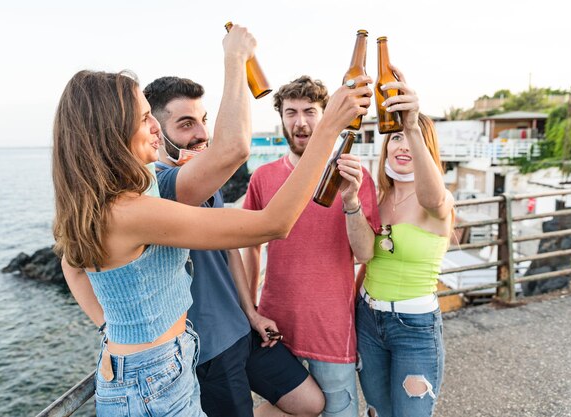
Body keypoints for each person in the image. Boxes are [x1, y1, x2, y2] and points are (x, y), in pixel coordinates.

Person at [53, 24, 371, 417]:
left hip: (168, 361)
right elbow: (274, 222)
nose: (153, 126)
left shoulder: (131, 191)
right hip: (149, 381)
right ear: (110, 133)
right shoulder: (130, 211)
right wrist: (328, 128)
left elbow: (71, 262)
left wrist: (114, 328)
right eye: (142, 119)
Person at [143, 72, 324, 417]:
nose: (201, 133)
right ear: (156, 129)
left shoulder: (204, 177)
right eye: (185, 124)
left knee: (310, 402)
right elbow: (234, 152)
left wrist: (251, 311)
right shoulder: (161, 185)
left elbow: (230, 251)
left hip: (241, 327)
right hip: (209, 346)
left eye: (203, 120)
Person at [242, 75, 380, 417]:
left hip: (331, 328)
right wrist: (251, 310)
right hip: (275, 323)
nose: (300, 122)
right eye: (291, 112)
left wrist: (350, 200)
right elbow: (249, 247)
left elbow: (365, 253)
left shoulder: (353, 176)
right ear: (281, 118)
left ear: (326, 116)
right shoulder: (263, 177)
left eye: (310, 112)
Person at [347, 65, 454, 417]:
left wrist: (411, 123)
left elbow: (433, 197)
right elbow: (365, 258)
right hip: (368, 319)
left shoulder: (437, 201)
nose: (402, 145)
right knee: (378, 411)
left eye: (411, 139)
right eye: (395, 137)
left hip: (415, 329)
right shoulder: (378, 197)